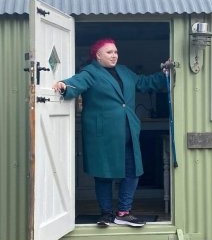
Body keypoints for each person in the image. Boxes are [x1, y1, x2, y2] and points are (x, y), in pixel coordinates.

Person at [53, 39, 171, 228]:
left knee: (132, 171)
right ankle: (106, 214)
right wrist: (63, 85)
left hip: (128, 131)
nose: (114, 55)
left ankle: (123, 212)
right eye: (109, 52)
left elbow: (145, 82)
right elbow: (77, 83)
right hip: (103, 134)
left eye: (115, 52)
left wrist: (165, 73)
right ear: (98, 55)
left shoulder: (125, 71)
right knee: (104, 174)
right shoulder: (90, 72)